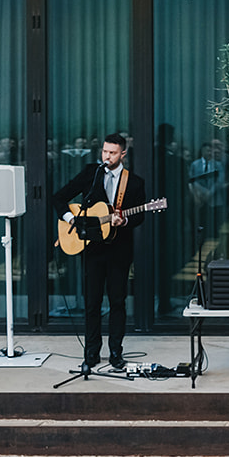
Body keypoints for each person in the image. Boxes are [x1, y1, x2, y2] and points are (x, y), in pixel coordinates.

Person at [53, 132, 149, 371]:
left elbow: (140, 216)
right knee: (92, 303)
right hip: (92, 249)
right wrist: (71, 219)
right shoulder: (91, 173)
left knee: (118, 302)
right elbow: (59, 197)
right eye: (105, 152)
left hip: (119, 250)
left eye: (112, 153)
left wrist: (124, 222)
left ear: (123, 154)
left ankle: (116, 352)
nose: (107, 156)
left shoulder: (134, 182)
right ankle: (91, 353)